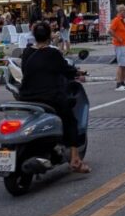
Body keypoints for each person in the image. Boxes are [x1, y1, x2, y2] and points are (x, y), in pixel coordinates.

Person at [17, 21, 90, 173]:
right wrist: (78, 72)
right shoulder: (53, 53)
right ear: (49, 36)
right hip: (49, 97)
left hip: (26, 97)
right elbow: (66, 70)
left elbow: (25, 71)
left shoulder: (27, 52)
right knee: (70, 120)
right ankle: (75, 160)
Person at [110, 4, 125, 91]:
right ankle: (118, 83)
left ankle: (123, 82)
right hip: (120, 45)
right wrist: (118, 38)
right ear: (120, 11)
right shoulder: (116, 20)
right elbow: (110, 31)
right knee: (121, 64)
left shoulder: (122, 21)